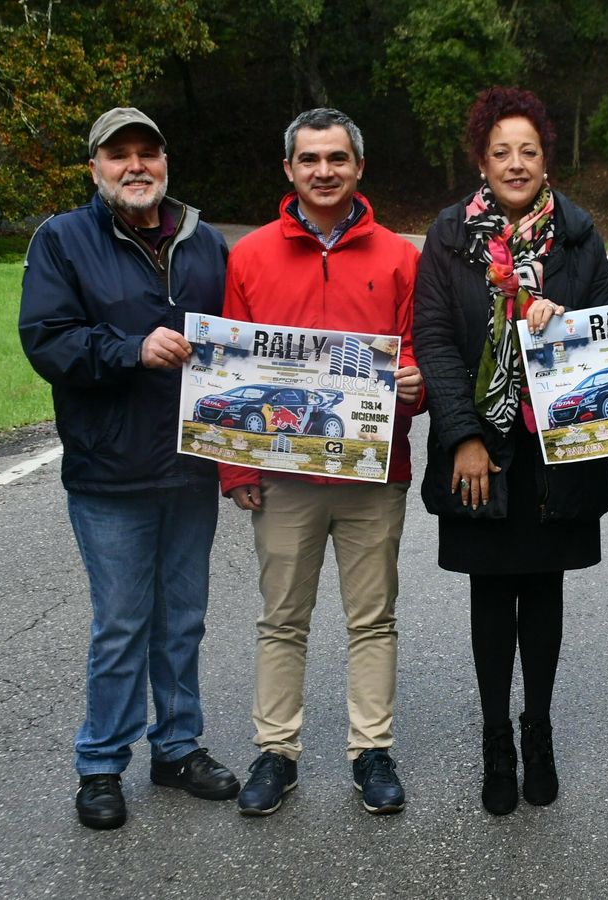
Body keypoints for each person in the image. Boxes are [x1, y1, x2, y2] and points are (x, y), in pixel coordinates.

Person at [19, 107, 238, 830]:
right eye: (120, 156)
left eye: (148, 153)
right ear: (95, 169)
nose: (135, 166)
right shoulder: (63, 240)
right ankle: (101, 763)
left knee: (183, 621)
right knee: (121, 623)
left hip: (191, 467)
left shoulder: (204, 242)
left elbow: (247, 343)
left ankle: (177, 746)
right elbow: (48, 340)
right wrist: (130, 350)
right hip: (109, 472)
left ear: (166, 162)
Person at [413, 87, 608, 816]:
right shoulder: (446, 238)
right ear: (481, 159)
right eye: (501, 151)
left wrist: (567, 327)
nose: (516, 162)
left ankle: (540, 729)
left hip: (554, 448)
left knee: (546, 588)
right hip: (482, 447)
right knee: (491, 592)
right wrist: (462, 435)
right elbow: (434, 339)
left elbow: (607, 335)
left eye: (528, 150)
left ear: (545, 158)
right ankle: (495, 734)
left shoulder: (579, 235)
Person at [220, 108, 424, 817]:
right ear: (289, 170)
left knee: (373, 619)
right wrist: (236, 468)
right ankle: (276, 752)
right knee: (283, 618)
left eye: (337, 158)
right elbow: (228, 371)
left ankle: (373, 752)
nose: (324, 171)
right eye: (310, 160)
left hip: (374, 473)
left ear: (358, 166)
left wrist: (417, 383)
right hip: (283, 477)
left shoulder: (401, 256)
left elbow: (416, 350)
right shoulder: (248, 256)